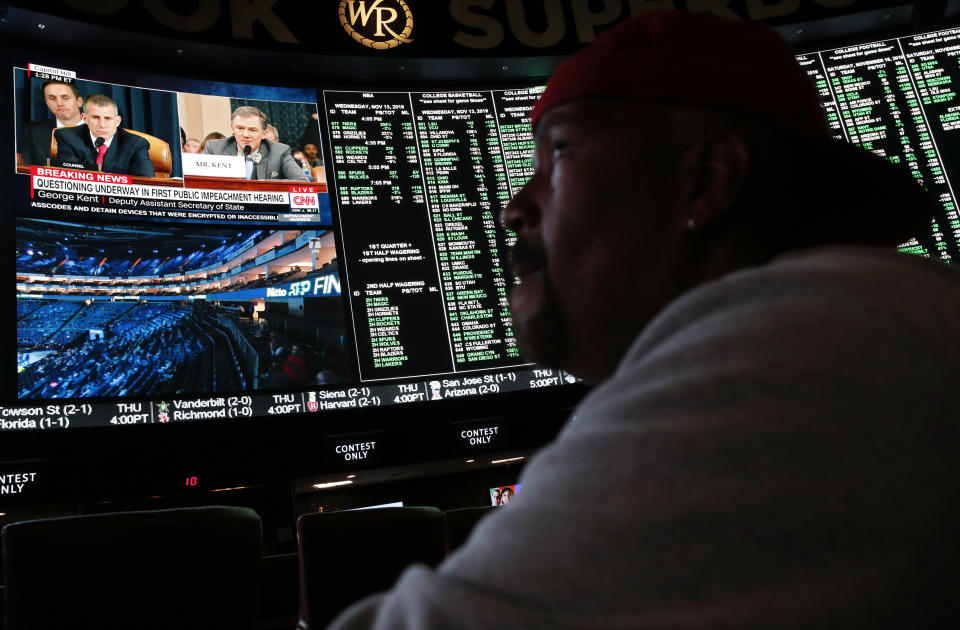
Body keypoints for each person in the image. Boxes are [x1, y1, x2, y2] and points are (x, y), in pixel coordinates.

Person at [328, 10, 960, 630]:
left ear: (706, 181)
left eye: (560, 154)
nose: (513, 208)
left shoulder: (804, 346)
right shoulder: (876, 320)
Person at [53, 93, 154, 177]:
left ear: (117, 121)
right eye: (95, 117)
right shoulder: (67, 137)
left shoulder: (136, 144)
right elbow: (66, 176)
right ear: (84, 118)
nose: (102, 125)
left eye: (108, 118)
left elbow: (145, 182)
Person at [202, 106, 308, 181]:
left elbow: (301, 182)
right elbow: (198, 182)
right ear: (232, 129)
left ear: (263, 134)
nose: (246, 134)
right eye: (240, 128)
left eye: (252, 130)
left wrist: (260, 185)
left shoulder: (279, 151)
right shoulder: (214, 148)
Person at [20, 79, 84, 166]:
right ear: (47, 102)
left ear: (79, 102)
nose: (59, 103)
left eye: (65, 98)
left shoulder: (102, 130)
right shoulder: (32, 132)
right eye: (52, 98)